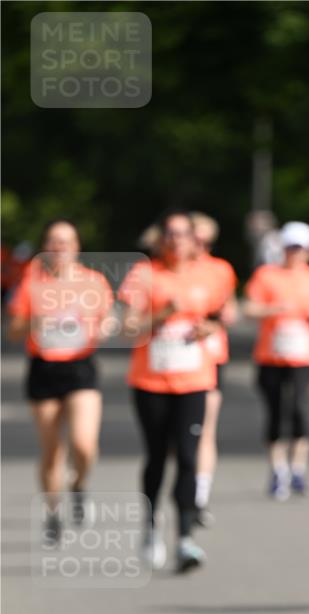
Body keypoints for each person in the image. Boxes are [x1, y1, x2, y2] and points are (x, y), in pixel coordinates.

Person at [118, 211, 230, 572]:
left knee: (187, 454)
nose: (177, 241)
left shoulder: (209, 275)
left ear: (193, 240)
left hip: (194, 379)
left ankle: (184, 539)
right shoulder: (143, 274)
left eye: (183, 235)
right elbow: (128, 328)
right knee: (155, 456)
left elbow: (220, 315)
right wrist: (163, 313)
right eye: (170, 234)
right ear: (160, 239)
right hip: (150, 381)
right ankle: (151, 527)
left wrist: (207, 328)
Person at [7, 220, 113, 541]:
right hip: (44, 369)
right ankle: (52, 512)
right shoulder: (31, 283)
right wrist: (32, 324)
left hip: (80, 367)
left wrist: (104, 326)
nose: (59, 248)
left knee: (83, 443)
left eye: (66, 242)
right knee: (52, 450)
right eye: (53, 242)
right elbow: (12, 331)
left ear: (77, 247)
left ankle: (79, 484)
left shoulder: (93, 281)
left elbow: (108, 318)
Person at [245, 221, 309, 499]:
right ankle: (278, 470)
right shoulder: (266, 275)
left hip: (303, 356)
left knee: (300, 411)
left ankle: (298, 470)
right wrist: (272, 309)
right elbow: (249, 308)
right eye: (291, 247)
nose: (296, 253)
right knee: (275, 412)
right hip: (270, 355)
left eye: (301, 248)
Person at [190, 212, 239, 526]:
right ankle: (183, 487)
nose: (201, 245)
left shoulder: (220, 270)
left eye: (207, 240)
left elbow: (230, 311)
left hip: (208, 357)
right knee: (179, 436)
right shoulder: (162, 270)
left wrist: (213, 323)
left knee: (205, 428)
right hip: (169, 363)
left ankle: (199, 496)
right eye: (196, 237)